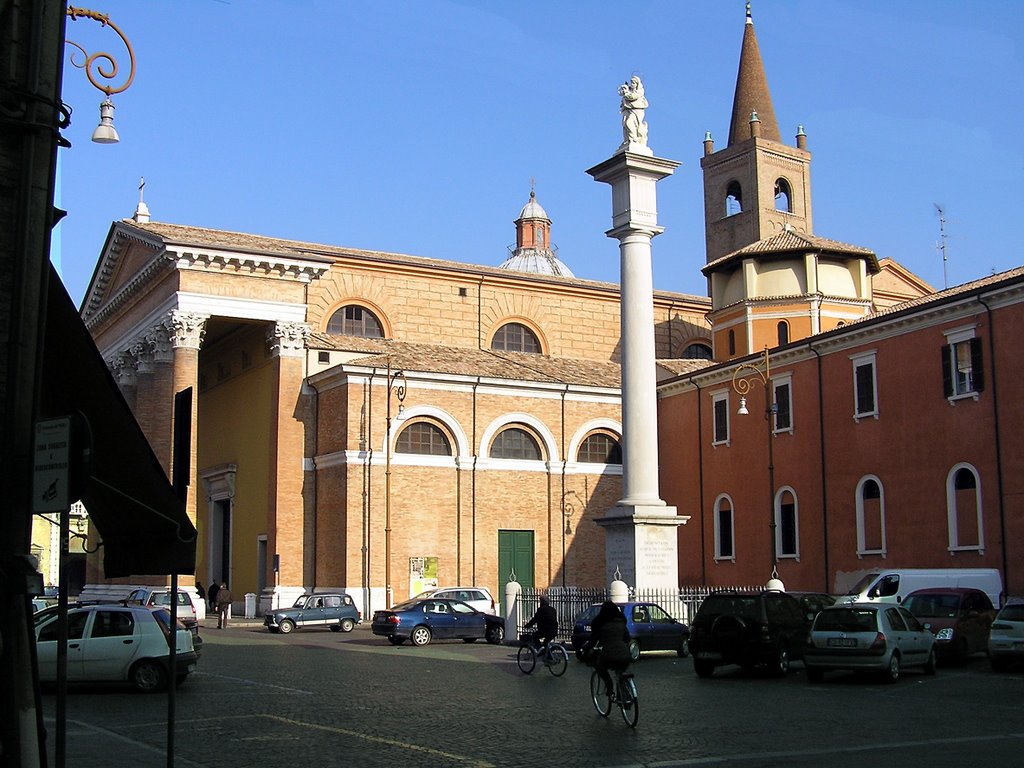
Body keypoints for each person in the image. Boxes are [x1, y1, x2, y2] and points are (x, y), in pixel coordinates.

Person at [584, 601, 632, 696]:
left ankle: (609, 687)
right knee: (620, 670)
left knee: (600, 667)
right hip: (625, 655)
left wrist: (587, 650)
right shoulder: (621, 622)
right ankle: (622, 691)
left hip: (609, 655)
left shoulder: (599, 623)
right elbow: (627, 638)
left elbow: (593, 640)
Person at [618, 75, 649, 148]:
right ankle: (628, 139)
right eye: (631, 83)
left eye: (633, 83)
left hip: (637, 110)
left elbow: (633, 97)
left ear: (637, 84)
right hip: (629, 110)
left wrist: (626, 94)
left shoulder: (640, 91)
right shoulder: (630, 91)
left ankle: (634, 139)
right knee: (625, 123)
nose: (632, 85)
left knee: (630, 123)